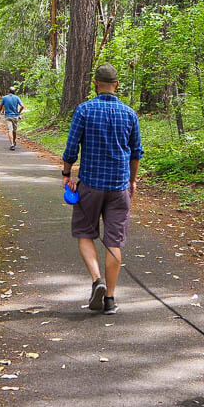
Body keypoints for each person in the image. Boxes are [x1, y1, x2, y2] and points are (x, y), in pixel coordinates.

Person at [61, 64, 142, 315]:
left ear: (95, 84)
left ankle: (97, 280)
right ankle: (110, 299)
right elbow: (136, 153)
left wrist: (66, 174)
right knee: (114, 241)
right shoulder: (129, 114)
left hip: (90, 185)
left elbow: (72, 147)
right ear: (116, 85)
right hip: (119, 187)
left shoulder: (84, 110)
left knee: (85, 233)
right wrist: (132, 181)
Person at [0, 86, 24, 151]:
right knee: (14, 131)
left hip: (8, 116)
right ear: (14, 92)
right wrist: (19, 113)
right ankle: (14, 142)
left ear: (8, 91)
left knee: (10, 130)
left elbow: (0, 107)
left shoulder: (4, 98)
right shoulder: (17, 98)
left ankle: (12, 144)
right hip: (15, 116)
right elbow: (22, 106)